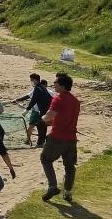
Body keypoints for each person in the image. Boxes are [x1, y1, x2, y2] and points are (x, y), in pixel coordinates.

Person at [41, 72, 80, 203]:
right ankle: (68, 192)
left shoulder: (59, 98)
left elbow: (49, 116)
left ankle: (52, 186)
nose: (54, 85)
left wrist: (42, 119)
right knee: (69, 166)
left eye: (56, 83)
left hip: (57, 137)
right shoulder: (75, 101)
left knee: (45, 159)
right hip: (71, 138)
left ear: (62, 86)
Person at [13, 73, 52, 147]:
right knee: (42, 126)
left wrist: (27, 110)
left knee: (39, 126)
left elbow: (34, 100)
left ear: (34, 79)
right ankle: (41, 142)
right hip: (45, 110)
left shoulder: (37, 88)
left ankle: (40, 143)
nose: (31, 81)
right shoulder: (42, 87)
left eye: (31, 80)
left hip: (42, 110)